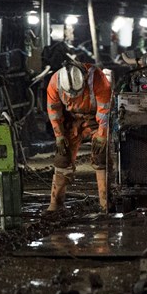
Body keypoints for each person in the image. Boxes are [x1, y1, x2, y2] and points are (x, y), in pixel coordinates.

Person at [46, 61, 111, 212]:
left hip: (95, 119)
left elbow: (105, 111)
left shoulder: (98, 79)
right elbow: (54, 111)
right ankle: (56, 204)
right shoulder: (55, 82)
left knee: (101, 157)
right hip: (71, 119)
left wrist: (102, 135)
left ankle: (105, 204)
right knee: (62, 158)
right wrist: (59, 135)